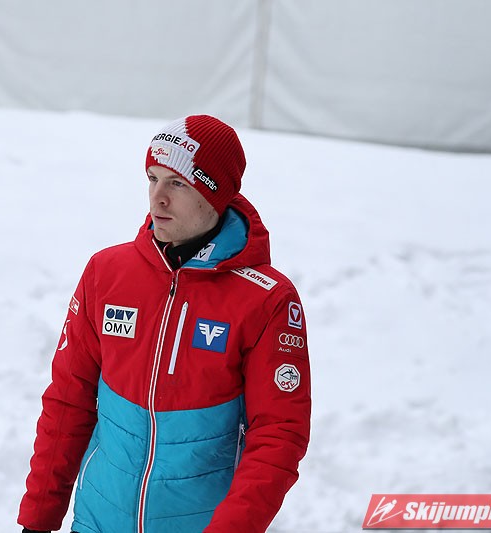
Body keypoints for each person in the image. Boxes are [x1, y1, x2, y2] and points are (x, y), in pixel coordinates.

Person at [18, 115, 311, 533]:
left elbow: (279, 436)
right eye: (152, 179)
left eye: (177, 184)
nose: (157, 199)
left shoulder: (266, 299)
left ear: (214, 194)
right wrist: (38, 519)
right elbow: (69, 401)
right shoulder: (107, 272)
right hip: (97, 520)